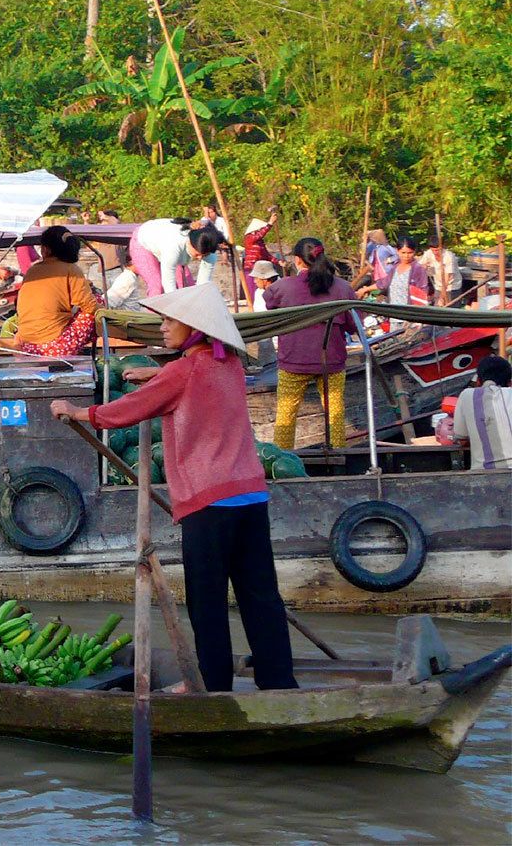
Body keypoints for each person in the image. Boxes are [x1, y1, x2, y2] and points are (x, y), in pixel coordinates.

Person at [51, 283, 297, 694]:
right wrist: (157, 374)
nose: (163, 328)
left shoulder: (184, 372)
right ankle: (280, 683)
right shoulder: (229, 364)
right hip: (251, 496)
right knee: (261, 596)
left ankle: (212, 686)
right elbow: (187, 380)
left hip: (210, 501)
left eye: (170, 321)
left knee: (207, 602)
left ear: (196, 329)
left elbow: (129, 410)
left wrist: (79, 411)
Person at [264, 237, 358, 450]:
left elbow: (269, 303)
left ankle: (283, 461)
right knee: (335, 415)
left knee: (285, 418)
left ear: (298, 261)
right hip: (331, 362)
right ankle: (338, 459)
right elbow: (354, 325)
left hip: (293, 362)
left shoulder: (283, 287)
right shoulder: (342, 288)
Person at [12, 225, 101, 357]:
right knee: (98, 303)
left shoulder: (32, 270)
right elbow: (89, 305)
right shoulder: (71, 270)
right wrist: (106, 313)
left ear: (45, 250)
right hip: (54, 346)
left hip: (25, 344)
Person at [128, 216, 227, 298]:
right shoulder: (174, 246)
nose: (200, 258)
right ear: (190, 243)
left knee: (187, 286)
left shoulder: (210, 251)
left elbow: (202, 285)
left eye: (204, 255)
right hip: (143, 242)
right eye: (197, 254)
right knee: (157, 287)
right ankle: (155, 319)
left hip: (168, 248)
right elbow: (168, 282)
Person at [448, 356, 512, 470]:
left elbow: (461, 438)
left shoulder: (467, 395)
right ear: (510, 383)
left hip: (484, 475)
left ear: (478, 382)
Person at [241, 209, 278, 301]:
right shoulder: (249, 238)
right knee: (252, 295)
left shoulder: (260, 242)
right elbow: (260, 234)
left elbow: (267, 255)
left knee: (261, 294)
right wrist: (270, 223)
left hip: (260, 271)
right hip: (251, 269)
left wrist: (278, 261)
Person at [424, 234, 460, 306]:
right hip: (438, 286)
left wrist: (442, 298)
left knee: (450, 309)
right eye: (433, 250)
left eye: (437, 250)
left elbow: (446, 280)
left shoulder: (449, 257)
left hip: (451, 287)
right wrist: (424, 266)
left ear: (442, 248)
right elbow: (420, 265)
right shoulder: (428, 253)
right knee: (437, 307)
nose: (435, 253)